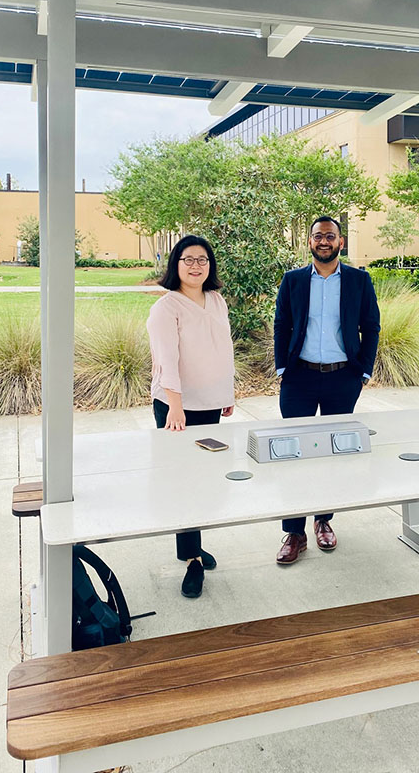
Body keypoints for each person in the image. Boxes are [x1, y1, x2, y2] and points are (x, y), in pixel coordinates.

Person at [273, 216, 380, 565]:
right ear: (309, 242)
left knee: (333, 454)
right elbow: (282, 324)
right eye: (318, 236)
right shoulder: (292, 281)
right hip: (299, 378)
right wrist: (282, 368)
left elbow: (372, 326)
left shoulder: (358, 280)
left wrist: (362, 372)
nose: (324, 241)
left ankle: (323, 521)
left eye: (330, 236)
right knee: (293, 454)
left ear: (341, 242)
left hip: (341, 379)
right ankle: (294, 532)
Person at [146, 234, 235, 598]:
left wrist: (227, 394)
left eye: (202, 259)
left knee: (205, 478)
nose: (196, 265)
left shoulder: (215, 300)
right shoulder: (166, 308)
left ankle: (194, 544)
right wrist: (176, 407)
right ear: (176, 266)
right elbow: (166, 361)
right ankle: (191, 561)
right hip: (177, 408)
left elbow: (223, 348)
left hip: (211, 403)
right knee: (182, 482)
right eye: (188, 259)